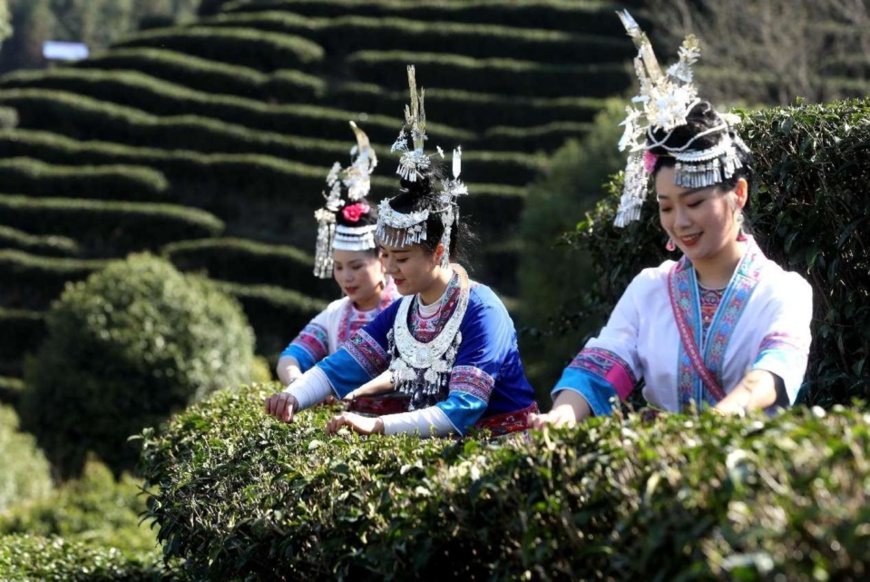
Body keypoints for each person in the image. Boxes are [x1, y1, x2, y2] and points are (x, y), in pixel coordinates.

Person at [529, 12, 813, 428]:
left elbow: (770, 373)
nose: (680, 221)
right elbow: (600, 367)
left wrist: (712, 424)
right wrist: (561, 416)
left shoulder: (783, 292)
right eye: (666, 206)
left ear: (738, 194)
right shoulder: (650, 291)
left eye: (695, 202)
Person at [266, 66, 538, 437]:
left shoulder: (481, 309)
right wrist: (293, 396)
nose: (390, 267)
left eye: (403, 258)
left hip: (506, 453)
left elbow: (461, 410)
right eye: (385, 255)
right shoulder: (403, 313)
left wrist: (376, 425)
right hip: (439, 458)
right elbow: (342, 366)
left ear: (438, 250)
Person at [276, 122, 399, 385]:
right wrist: (299, 383)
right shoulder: (335, 314)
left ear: (381, 260)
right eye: (339, 267)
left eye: (356, 266)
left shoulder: (407, 307)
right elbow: (292, 356)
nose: (346, 277)